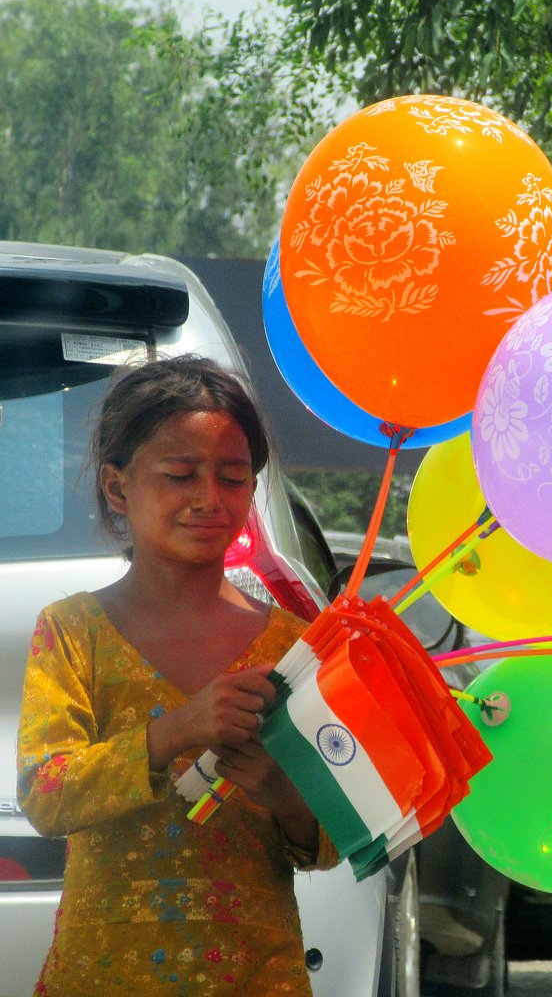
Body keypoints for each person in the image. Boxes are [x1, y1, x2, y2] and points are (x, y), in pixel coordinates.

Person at [16, 355, 337, 995]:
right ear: (116, 488)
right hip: (105, 973)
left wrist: (282, 791)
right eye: (180, 475)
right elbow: (47, 794)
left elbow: (332, 842)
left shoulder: (293, 648)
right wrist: (177, 730)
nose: (208, 500)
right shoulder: (72, 631)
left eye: (233, 477)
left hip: (256, 973)